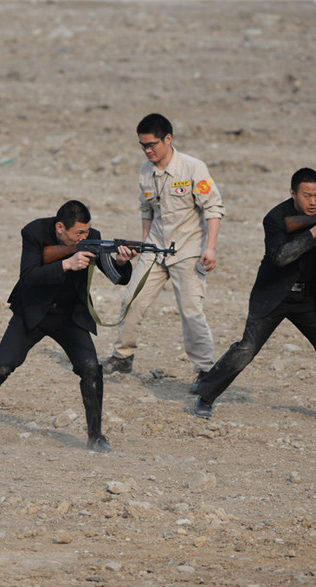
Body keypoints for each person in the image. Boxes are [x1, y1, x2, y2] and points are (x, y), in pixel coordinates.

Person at [193, 167, 316, 426]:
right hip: (273, 294)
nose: (313, 201)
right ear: (293, 193)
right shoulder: (275, 218)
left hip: (309, 296)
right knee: (247, 348)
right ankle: (205, 396)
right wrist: (312, 234)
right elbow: (280, 257)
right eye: (307, 195)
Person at [0, 200, 135, 453]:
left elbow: (116, 276)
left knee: (91, 369)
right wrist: (66, 264)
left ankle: (95, 436)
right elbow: (28, 277)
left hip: (69, 317)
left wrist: (122, 262)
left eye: (87, 231)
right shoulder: (34, 232)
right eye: (79, 233)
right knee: (2, 364)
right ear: (60, 227)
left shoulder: (92, 238)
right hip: (33, 312)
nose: (85, 237)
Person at [102, 114, 224, 395]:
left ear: (168, 139)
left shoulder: (193, 167)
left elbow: (213, 208)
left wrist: (210, 248)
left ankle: (206, 370)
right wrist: (143, 244)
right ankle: (122, 356)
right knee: (132, 299)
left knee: (191, 311)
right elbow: (147, 210)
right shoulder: (145, 171)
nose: (148, 150)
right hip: (155, 249)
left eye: (152, 144)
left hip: (188, 251)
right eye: (142, 145)